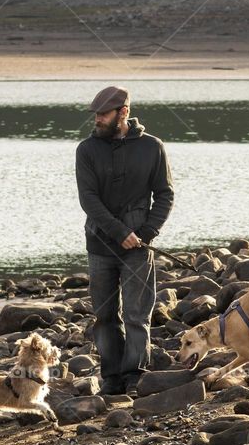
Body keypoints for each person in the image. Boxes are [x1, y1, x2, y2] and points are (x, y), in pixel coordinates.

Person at [75, 85, 175, 396]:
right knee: (105, 315)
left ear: (124, 113)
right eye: (96, 114)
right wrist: (120, 232)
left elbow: (165, 195)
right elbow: (89, 200)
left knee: (136, 313)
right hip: (99, 246)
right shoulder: (86, 150)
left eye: (104, 114)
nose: (98, 119)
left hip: (138, 248)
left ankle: (135, 376)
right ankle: (112, 378)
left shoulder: (152, 147)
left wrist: (146, 234)